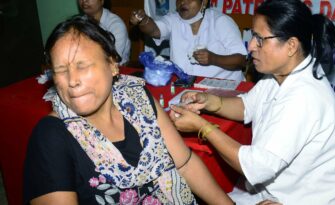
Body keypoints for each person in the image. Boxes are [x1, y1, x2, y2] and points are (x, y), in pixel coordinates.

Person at [23, 16, 234, 205]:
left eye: (82, 65)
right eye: (61, 70)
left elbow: (185, 164)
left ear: (113, 65)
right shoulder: (51, 136)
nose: (72, 81)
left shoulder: (139, 100)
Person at [169, 0, 335, 204]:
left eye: (260, 39)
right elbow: (247, 106)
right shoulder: (282, 73)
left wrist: (203, 127)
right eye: (253, 36)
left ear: (291, 46)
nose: (251, 46)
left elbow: (253, 166)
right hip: (287, 190)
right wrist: (210, 101)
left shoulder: (304, 97)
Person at [130, 0, 247, 82]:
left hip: (224, 88)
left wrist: (213, 58)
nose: (183, 2)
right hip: (186, 87)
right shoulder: (173, 19)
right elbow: (154, 30)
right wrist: (143, 20)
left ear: (204, 2)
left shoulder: (220, 21)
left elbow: (240, 60)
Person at [78, 0, 130, 65]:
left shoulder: (116, 25)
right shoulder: (79, 23)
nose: (84, 0)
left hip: (117, 70)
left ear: (102, 1)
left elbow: (113, 60)